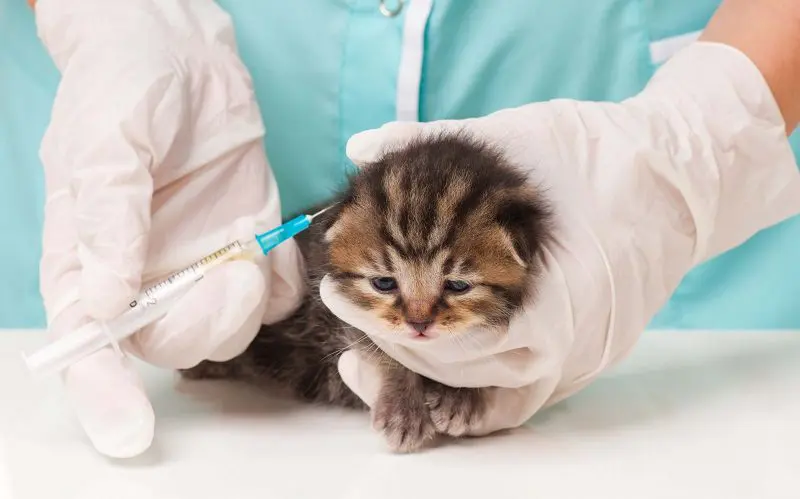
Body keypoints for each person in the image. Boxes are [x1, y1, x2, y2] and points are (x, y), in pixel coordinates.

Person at [0, 0, 798, 457]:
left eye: (446, 287)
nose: (418, 318)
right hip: (175, 203)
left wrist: (699, 133)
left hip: (710, 366)